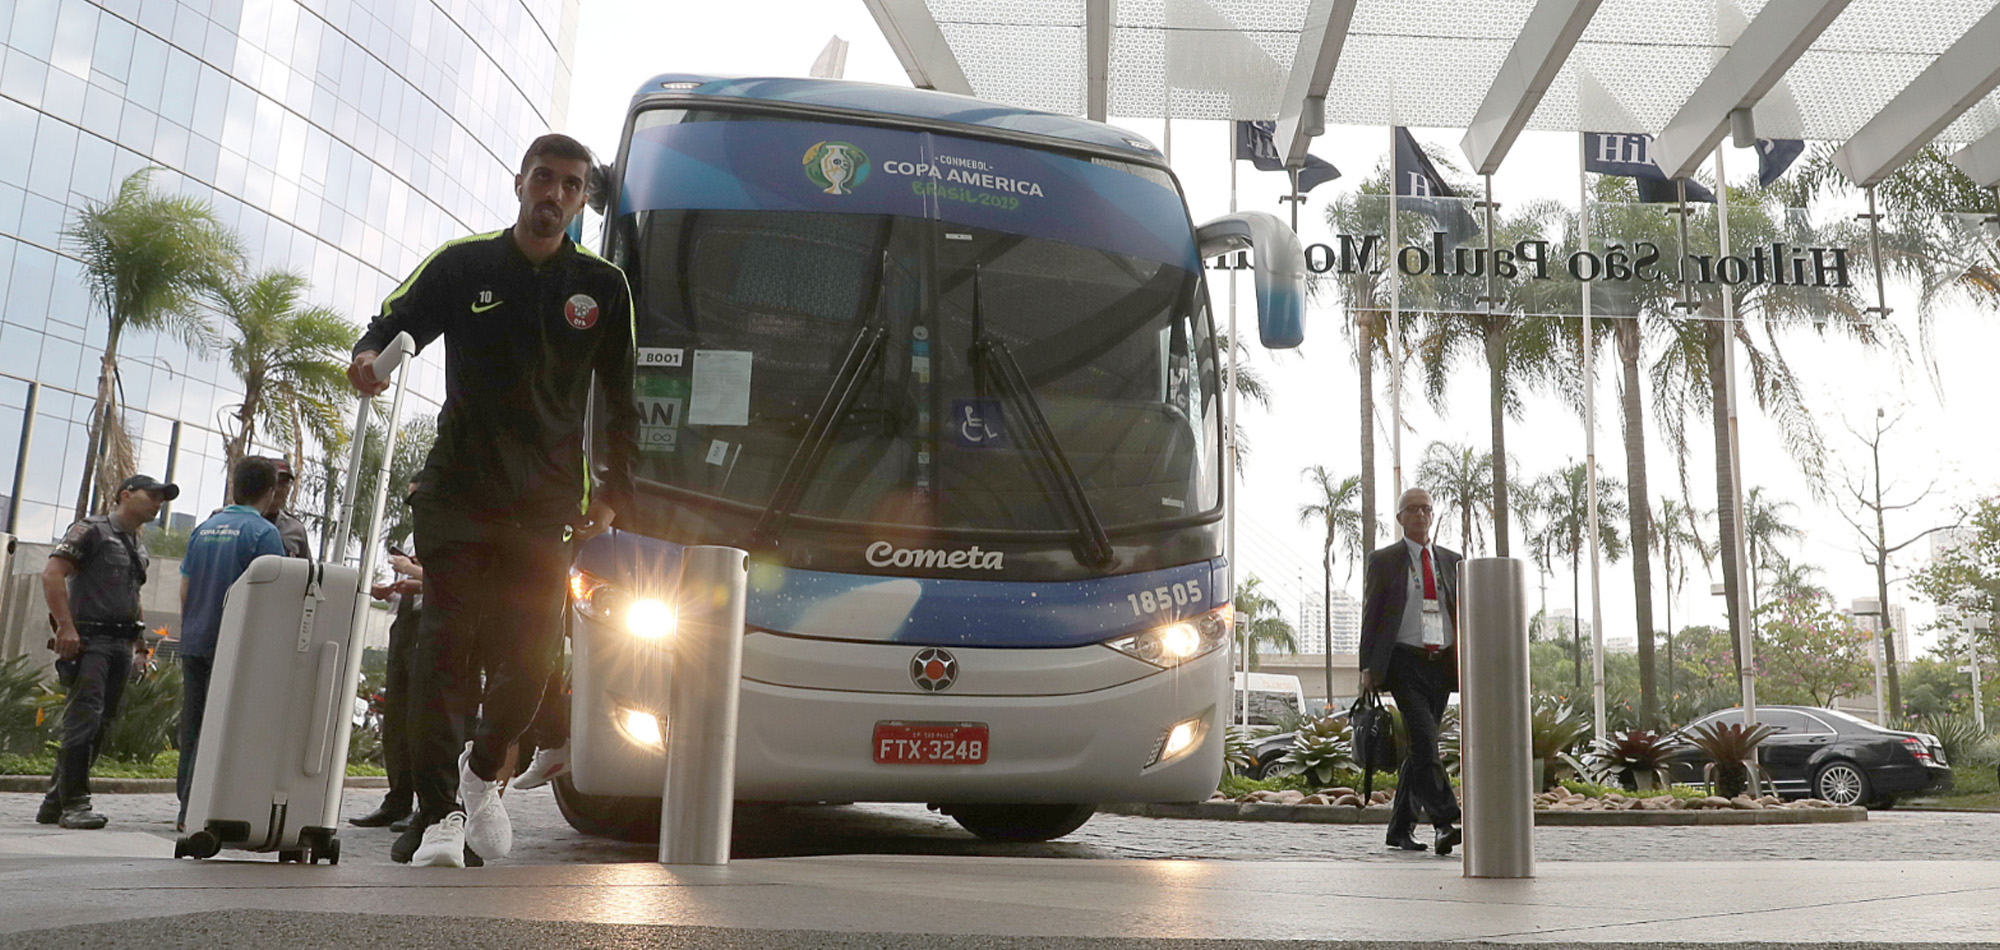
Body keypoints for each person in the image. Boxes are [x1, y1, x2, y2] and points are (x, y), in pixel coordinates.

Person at [348, 132, 637, 868]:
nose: (556, 195)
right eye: (545, 178)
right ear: (519, 183)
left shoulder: (603, 288)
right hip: (459, 494)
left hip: (546, 503)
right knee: (447, 644)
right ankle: (438, 813)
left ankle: (482, 774)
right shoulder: (465, 264)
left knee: (535, 658)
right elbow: (397, 318)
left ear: (581, 200)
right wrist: (369, 356)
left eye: (573, 186)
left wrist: (613, 492)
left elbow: (625, 400)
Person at [36, 475, 176, 829]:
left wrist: (142, 646)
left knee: (101, 723)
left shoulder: (136, 544)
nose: (158, 503)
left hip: (121, 645)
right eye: (152, 495)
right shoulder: (91, 530)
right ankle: (75, 805)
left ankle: (55, 802)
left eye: (163, 498)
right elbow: (52, 574)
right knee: (84, 719)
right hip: (90, 641)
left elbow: (134, 596)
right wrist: (65, 627)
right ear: (126, 495)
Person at [175, 457, 286, 829]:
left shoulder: (205, 528)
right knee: (223, 728)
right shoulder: (264, 534)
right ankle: (207, 808)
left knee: (192, 726)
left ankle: (184, 808)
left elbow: (185, 588)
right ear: (270, 492)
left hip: (195, 639)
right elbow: (273, 597)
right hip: (236, 645)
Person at [1357, 487, 1463, 856]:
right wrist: (1367, 667)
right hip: (1404, 663)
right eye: (1412, 509)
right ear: (1400, 517)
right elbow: (1371, 615)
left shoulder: (1453, 561)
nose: (1420, 515)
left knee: (1420, 748)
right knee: (1424, 740)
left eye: (1426, 509)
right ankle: (1446, 821)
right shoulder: (1384, 561)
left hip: (1442, 664)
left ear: (1433, 516)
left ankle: (1400, 828)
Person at [350, 539, 422, 831]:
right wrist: (389, 592)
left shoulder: (448, 521)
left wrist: (413, 572)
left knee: (422, 718)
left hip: (430, 623)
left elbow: (452, 578)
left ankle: (429, 805)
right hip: (403, 623)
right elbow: (408, 587)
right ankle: (397, 800)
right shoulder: (410, 536)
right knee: (395, 717)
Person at [258, 457, 313, 559]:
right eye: (276, 482)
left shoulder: (295, 529)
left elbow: (306, 570)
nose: (279, 489)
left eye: (284, 483)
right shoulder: (246, 522)